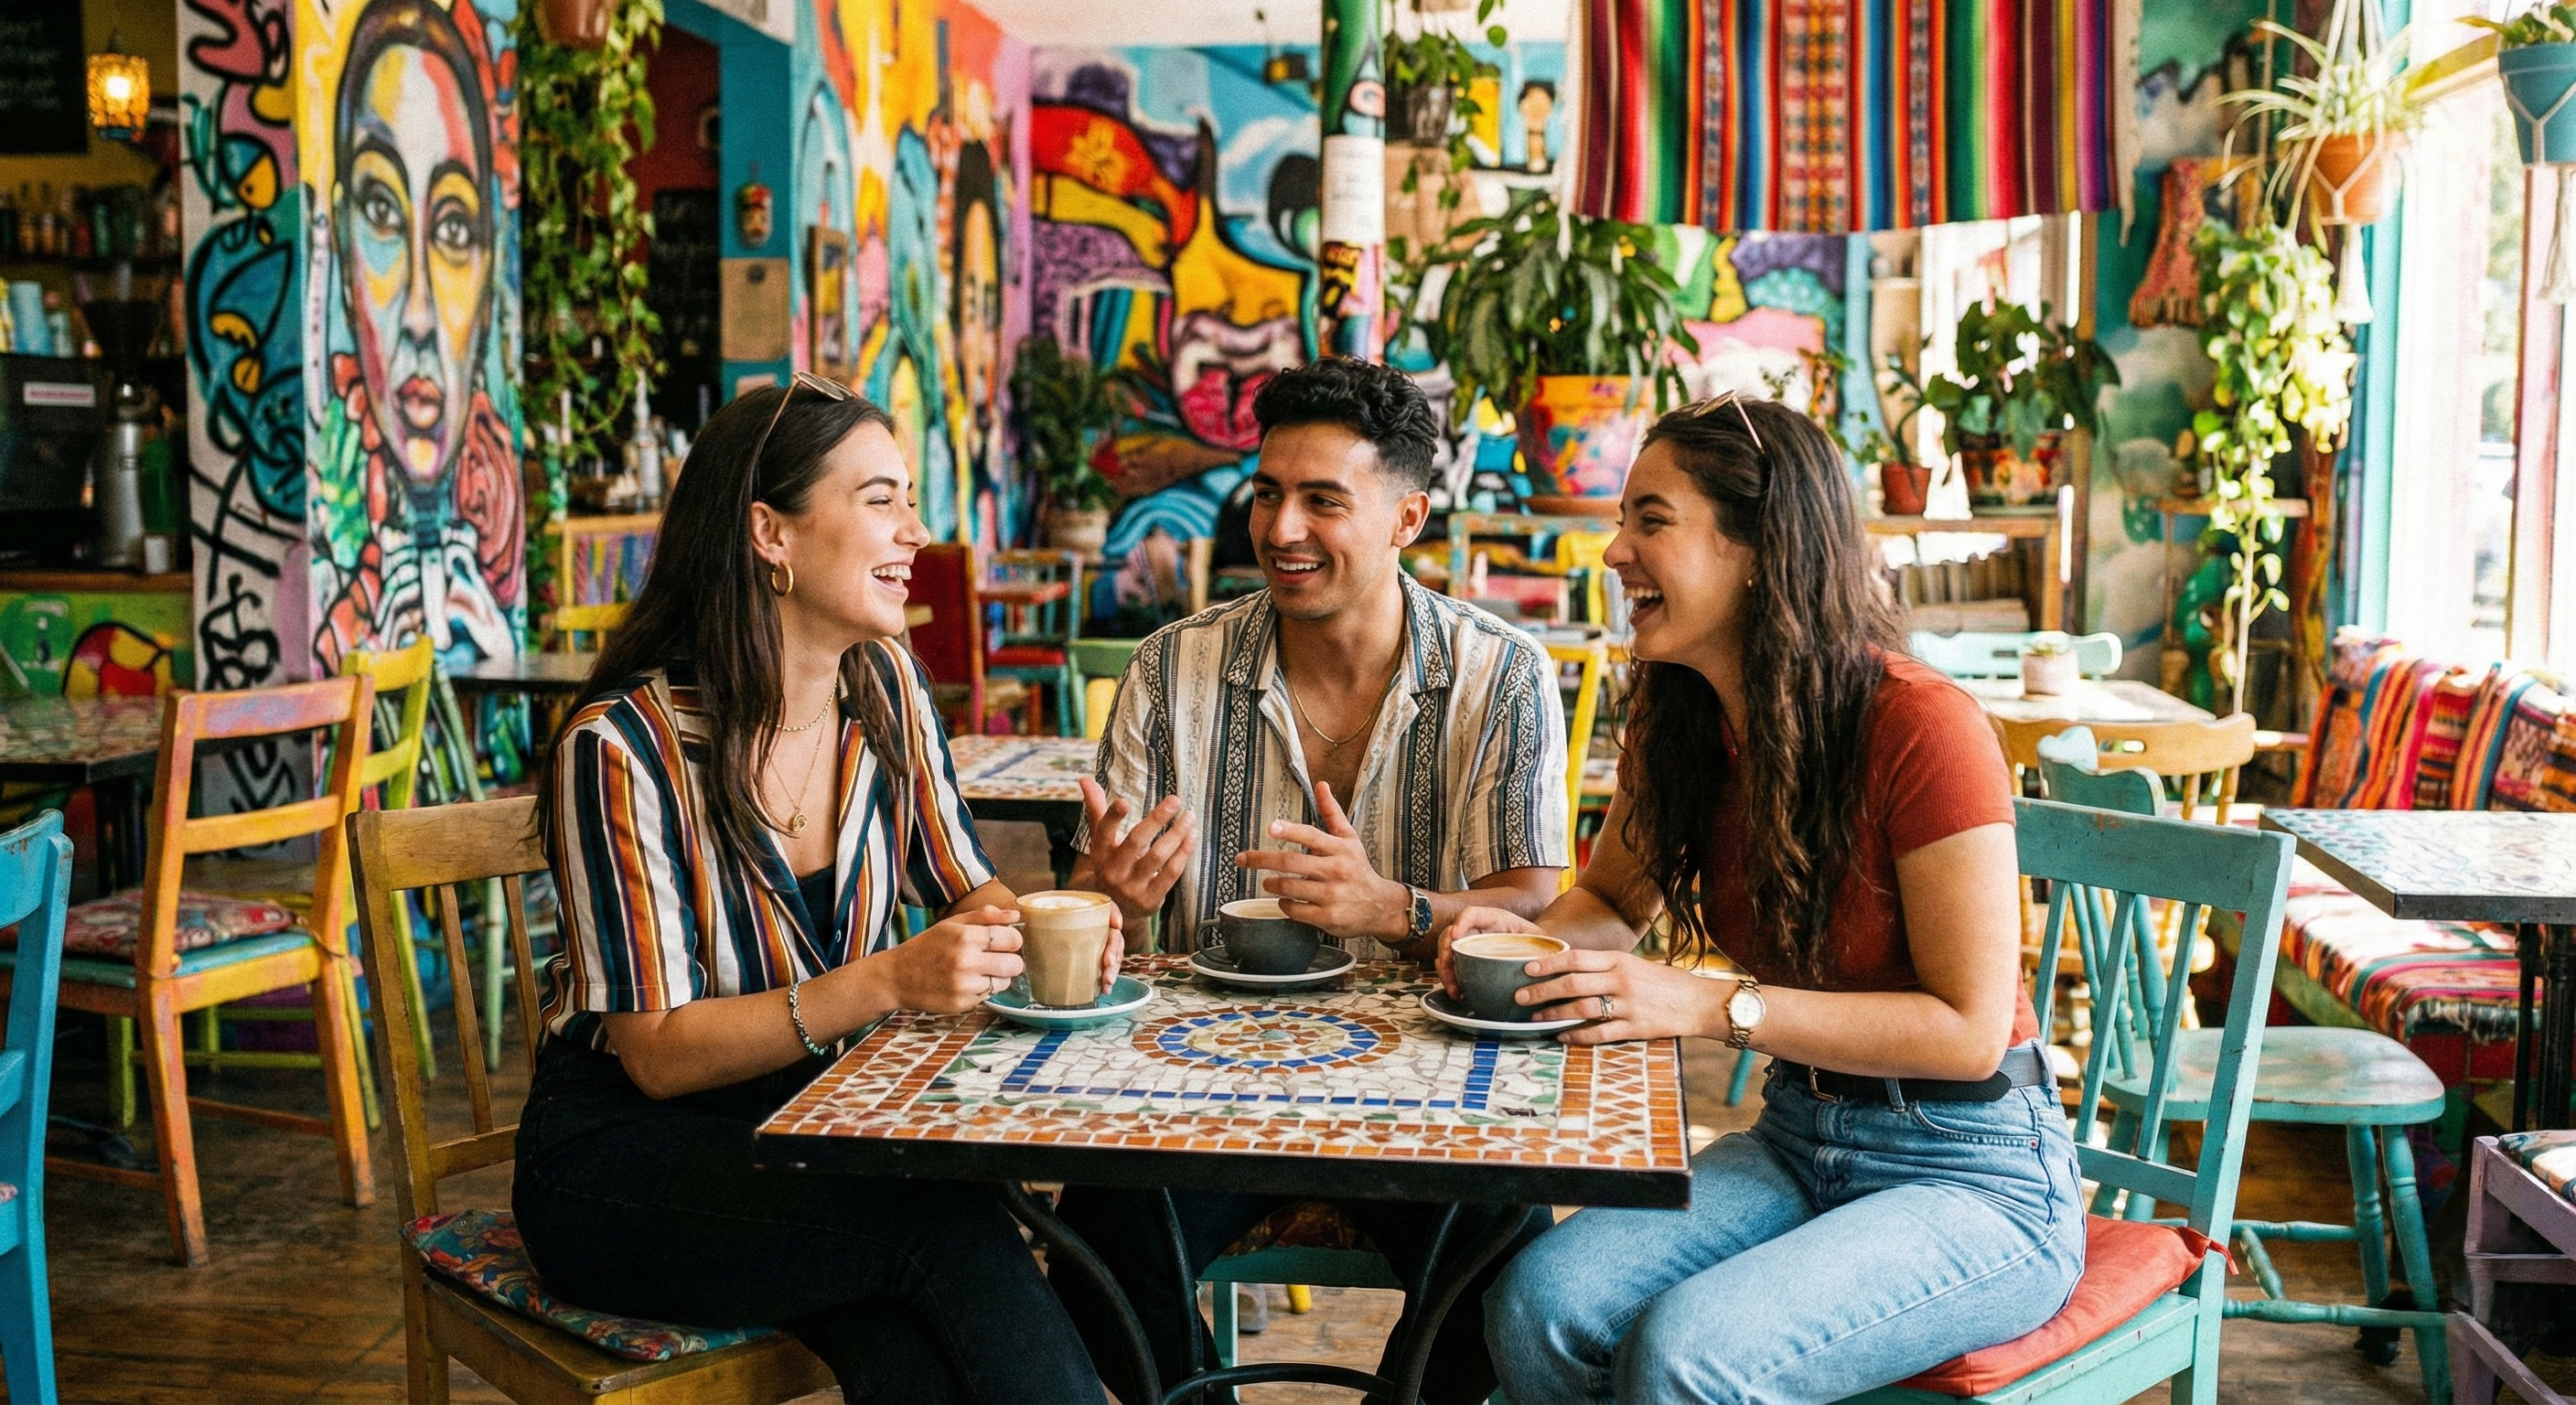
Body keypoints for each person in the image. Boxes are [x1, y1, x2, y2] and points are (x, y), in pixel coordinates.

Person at [1445, 394, 2087, 1403]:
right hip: (1800, 1136)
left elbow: (1967, 1031)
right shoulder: (1685, 718)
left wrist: (1706, 1004)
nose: (1613, 552)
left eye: (1649, 520)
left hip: (1974, 1174)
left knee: (1683, 1357)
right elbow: (1609, 903)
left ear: (1758, 547)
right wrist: (1516, 941)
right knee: (1535, 1305)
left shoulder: (1921, 727)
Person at [515, 376, 1111, 1404]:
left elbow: (968, 892)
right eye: (880, 499)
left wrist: (1074, 916)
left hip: (814, 1128)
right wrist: (886, 980)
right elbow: (655, 1057)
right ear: (769, 533)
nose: (916, 530)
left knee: (903, 1332)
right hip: (624, 1162)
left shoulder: (884, 686)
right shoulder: (623, 751)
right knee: (936, 1222)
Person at [1048, 357, 1566, 1404]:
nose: (1281, 528)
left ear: (1405, 518)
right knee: (1092, 1254)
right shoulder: (1168, 669)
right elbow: (1091, 907)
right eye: (1268, 494)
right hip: (1193, 1091)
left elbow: (1532, 914)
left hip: (1429, 1098)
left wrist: (1394, 910)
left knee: (1505, 1254)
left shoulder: (1498, 674)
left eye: (1323, 501)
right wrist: (1112, 898)